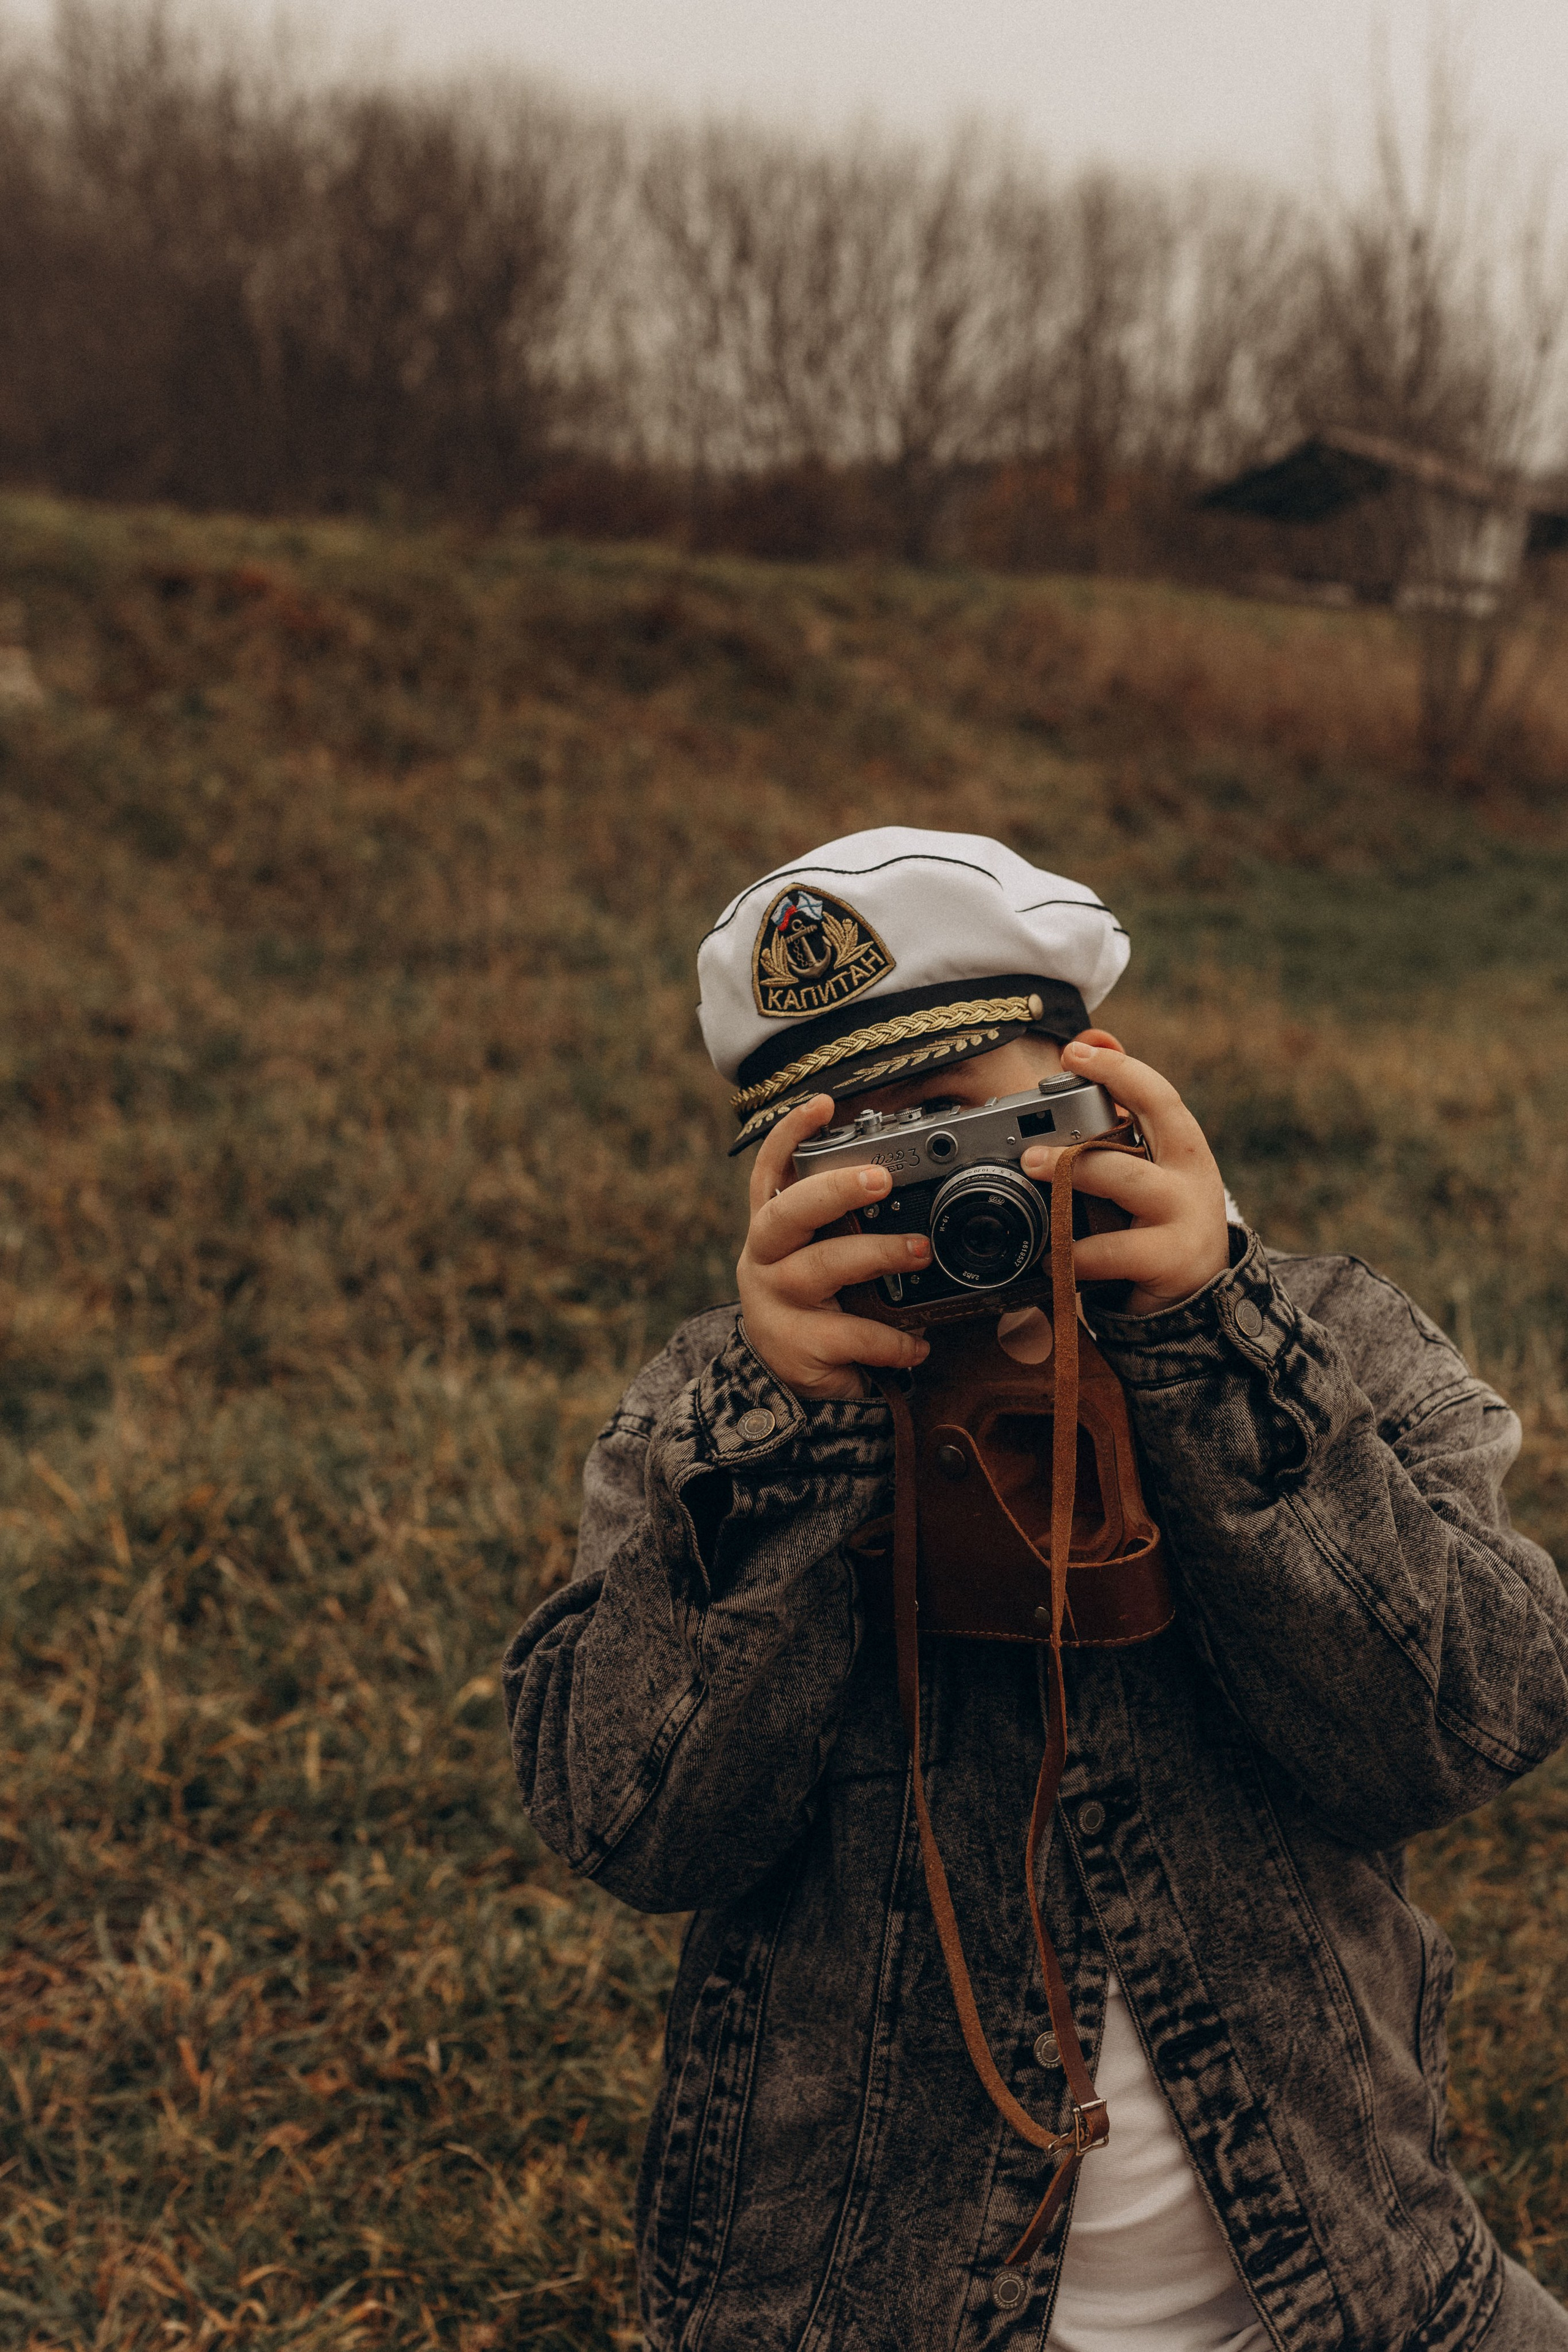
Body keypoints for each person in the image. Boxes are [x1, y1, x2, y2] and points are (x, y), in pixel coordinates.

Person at [505, 826, 1568, 2351]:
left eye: (953, 1123)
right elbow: (629, 1823)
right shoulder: (715, 1412)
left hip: (1353, 2276)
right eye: (845, 1156)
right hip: (854, 2305)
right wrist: (783, 1451)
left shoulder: (1316, 1340)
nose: (921, 1197)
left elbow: (1466, 1724)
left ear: (1105, 1091)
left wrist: (1207, 1343)